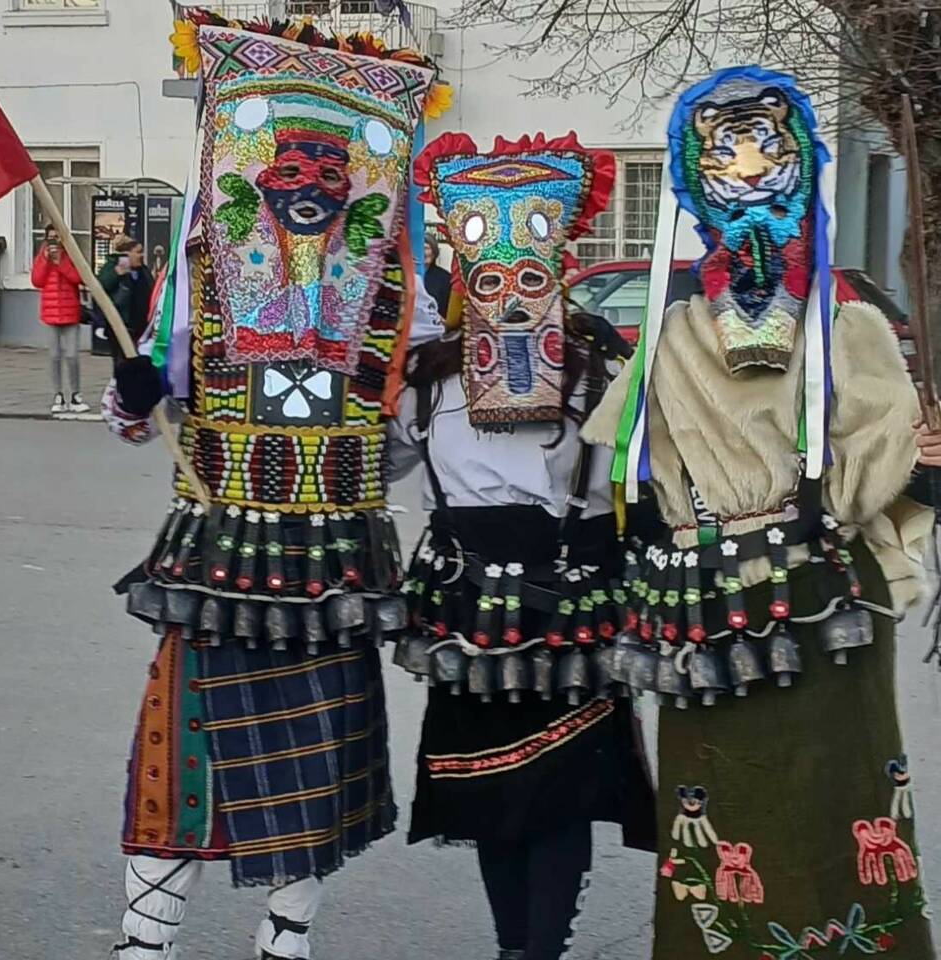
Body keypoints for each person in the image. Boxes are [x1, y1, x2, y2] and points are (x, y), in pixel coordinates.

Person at [99, 9, 447, 959]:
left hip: (335, 562)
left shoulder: (399, 297)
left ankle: (286, 938)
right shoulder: (202, 273)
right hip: (217, 558)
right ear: (255, 176)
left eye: (334, 173)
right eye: (288, 169)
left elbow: (407, 442)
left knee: (316, 774)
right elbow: (137, 416)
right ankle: (145, 944)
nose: (311, 190)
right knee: (185, 762)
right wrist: (134, 392)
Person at [583, 66, 936, 960]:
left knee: (839, 796)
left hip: (822, 598)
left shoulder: (846, 324)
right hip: (705, 609)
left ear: (799, 167)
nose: (746, 169)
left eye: (766, 149)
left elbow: (893, 470)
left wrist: (924, 465)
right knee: (718, 802)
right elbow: (624, 478)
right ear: (694, 183)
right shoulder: (669, 336)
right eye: (723, 154)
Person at [390, 130, 656, 960]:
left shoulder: (596, 368)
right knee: (490, 792)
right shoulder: (429, 378)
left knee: (560, 791)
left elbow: (639, 475)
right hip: (468, 601)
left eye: (529, 274)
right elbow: (376, 461)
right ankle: (515, 947)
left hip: (569, 597)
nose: (508, 292)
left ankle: (540, 950)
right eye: (489, 272)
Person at [31, 225, 89, 413]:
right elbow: (37, 281)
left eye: (57, 237)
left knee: (72, 355)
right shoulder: (42, 256)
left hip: (70, 312)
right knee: (54, 356)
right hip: (51, 313)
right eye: (51, 237)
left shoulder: (71, 255)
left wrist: (61, 262)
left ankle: (76, 394)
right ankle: (58, 394)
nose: (54, 241)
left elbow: (78, 277)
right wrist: (46, 260)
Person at [96, 235, 155, 366]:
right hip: (121, 325)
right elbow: (101, 286)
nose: (141, 256)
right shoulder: (112, 267)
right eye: (138, 252)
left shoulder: (143, 270)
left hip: (141, 327)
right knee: (121, 363)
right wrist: (116, 274)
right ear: (127, 254)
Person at [422, 234, 452, 319]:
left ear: (434, 252)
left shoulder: (445, 278)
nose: (423, 252)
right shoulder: (409, 275)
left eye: (426, 248)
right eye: (420, 248)